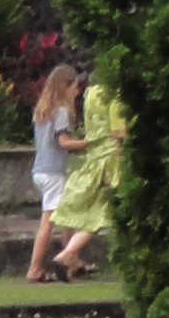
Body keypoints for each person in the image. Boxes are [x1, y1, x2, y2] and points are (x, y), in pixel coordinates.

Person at [49, 65, 125, 280]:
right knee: (101, 214)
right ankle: (66, 255)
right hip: (111, 160)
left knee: (95, 213)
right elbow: (118, 132)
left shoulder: (91, 93)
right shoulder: (114, 96)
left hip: (94, 159)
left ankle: (67, 255)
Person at [28, 62, 84, 282]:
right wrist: (88, 142)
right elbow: (64, 142)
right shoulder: (61, 111)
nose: (77, 92)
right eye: (74, 87)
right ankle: (35, 269)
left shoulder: (42, 111)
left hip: (40, 170)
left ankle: (72, 259)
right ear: (65, 87)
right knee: (48, 223)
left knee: (68, 213)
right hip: (53, 173)